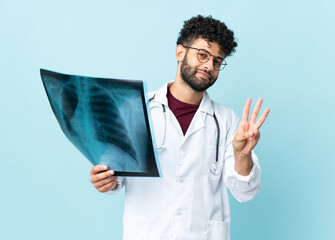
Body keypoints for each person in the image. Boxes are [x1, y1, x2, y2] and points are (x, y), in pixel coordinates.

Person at [90, 15, 270, 240]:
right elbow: (116, 176)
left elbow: (245, 192)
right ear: (180, 52)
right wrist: (106, 180)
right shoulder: (137, 109)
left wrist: (242, 155)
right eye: (203, 55)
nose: (209, 66)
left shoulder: (227, 120)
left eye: (217, 61)